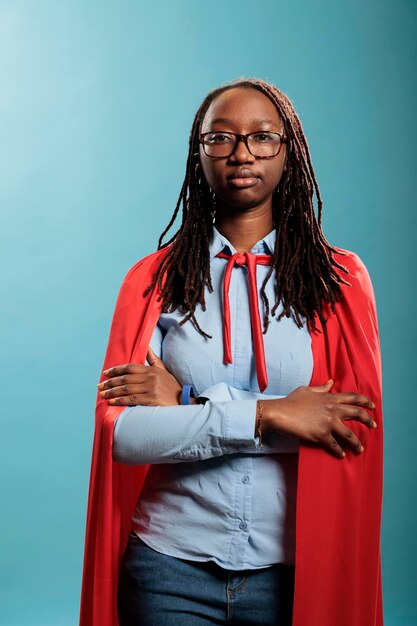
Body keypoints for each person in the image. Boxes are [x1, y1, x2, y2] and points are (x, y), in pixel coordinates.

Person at [79, 78, 384, 626]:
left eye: (262, 137)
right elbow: (123, 437)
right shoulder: (155, 282)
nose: (241, 153)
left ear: (288, 152)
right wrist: (273, 413)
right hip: (168, 567)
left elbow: (346, 434)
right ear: (199, 155)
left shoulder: (339, 281)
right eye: (219, 138)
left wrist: (191, 403)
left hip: (291, 573)